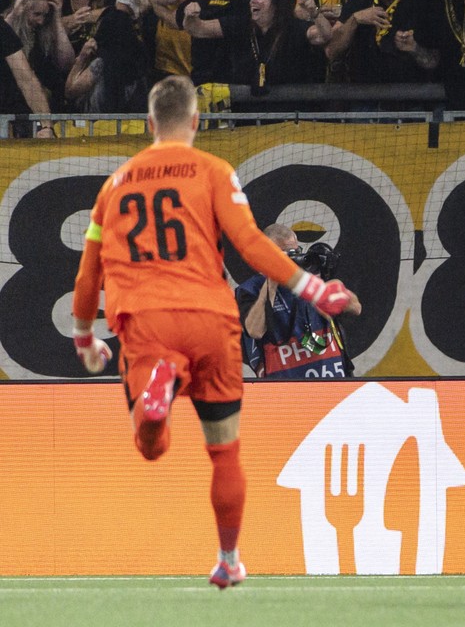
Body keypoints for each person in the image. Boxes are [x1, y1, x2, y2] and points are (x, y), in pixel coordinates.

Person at [68, 75, 357, 588]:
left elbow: (88, 274)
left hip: (147, 322)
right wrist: (312, 288)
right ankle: (228, 559)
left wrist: (85, 336)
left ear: (149, 125)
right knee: (224, 450)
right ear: (197, 122)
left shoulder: (113, 188)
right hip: (210, 320)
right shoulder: (214, 171)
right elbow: (249, 242)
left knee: (150, 447)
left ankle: (162, 384)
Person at [237, 224, 362, 378]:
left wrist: (330, 292)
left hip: (334, 381)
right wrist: (272, 280)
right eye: (286, 254)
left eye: (295, 252)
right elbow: (255, 331)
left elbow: (356, 308)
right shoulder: (250, 289)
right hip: (288, 390)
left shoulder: (310, 280)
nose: (292, 259)